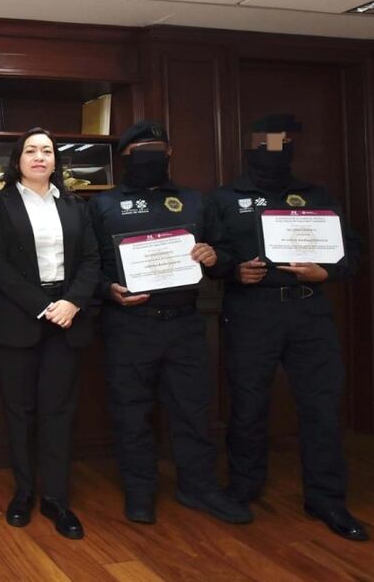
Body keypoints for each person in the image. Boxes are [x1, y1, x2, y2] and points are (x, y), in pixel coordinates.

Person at [88, 120, 252, 526]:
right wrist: (109, 289)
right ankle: (140, 491)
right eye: (141, 151)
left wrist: (216, 259)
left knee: (194, 411)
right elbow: (88, 266)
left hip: (184, 323)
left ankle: (198, 487)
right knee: (131, 413)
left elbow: (226, 254)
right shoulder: (103, 204)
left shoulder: (196, 201)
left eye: (158, 150)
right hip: (129, 325)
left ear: (170, 155)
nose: (151, 158)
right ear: (125, 158)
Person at [211, 115, 366, 541]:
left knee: (321, 406)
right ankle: (243, 488)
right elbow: (211, 254)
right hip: (251, 312)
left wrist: (327, 274)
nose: (272, 152)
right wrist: (233, 271)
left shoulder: (315, 196)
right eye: (263, 144)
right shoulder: (226, 198)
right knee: (247, 404)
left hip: (309, 311)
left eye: (280, 144)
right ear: (248, 147)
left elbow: (351, 251)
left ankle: (327, 498)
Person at [0, 129, 100, 540]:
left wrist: (72, 302)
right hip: (19, 318)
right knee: (20, 411)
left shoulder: (74, 205)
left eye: (46, 151)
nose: (39, 157)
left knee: (58, 411)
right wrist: (42, 305)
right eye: (30, 150)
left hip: (68, 318)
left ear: (55, 160)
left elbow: (91, 259)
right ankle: (24, 492)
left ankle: (55, 498)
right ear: (18, 159)